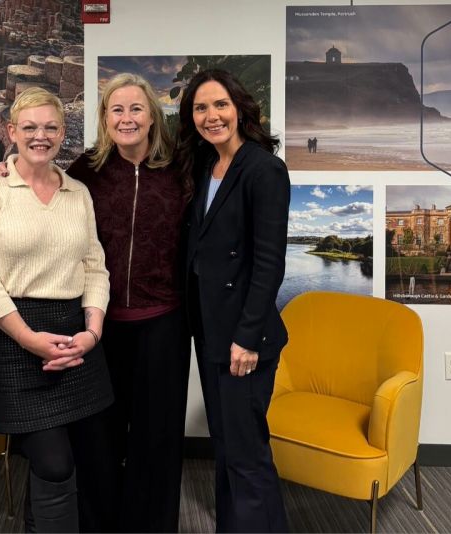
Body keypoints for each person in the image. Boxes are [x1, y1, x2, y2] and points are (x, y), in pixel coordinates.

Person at [0, 87, 116, 533]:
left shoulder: (78, 194)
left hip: (75, 336)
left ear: (63, 133)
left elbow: (95, 268)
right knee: (52, 462)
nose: (40, 136)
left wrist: (92, 333)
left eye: (50, 127)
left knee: (83, 459)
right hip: (14, 337)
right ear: (11, 131)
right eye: (29, 127)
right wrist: (30, 339)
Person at [66, 73, 192, 532]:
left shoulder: (181, 169)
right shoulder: (85, 170)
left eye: (136, 109)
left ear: (152, 116)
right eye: (116, 110)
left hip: (164, 322)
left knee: (156, 440)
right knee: (99, 435)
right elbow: (39, 192)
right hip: (99, 324)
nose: (127, 118)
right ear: (104, 118)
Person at [175, 69, 290, 532]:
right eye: (200, 108)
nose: (211, 116)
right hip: (210, 328)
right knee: (226, 443)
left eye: (220, 104)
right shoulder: (204, 165)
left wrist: (246, 338)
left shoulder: (264, 169)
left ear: (240, 108)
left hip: (246, 337)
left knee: (245, 452)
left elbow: (269, 264)